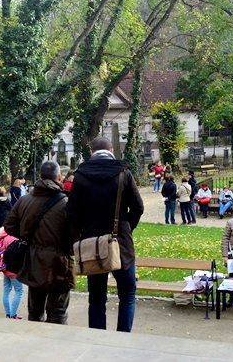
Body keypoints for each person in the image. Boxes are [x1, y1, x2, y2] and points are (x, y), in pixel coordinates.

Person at [67, 137, 144, 333]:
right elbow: (138, 207)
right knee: (127, 294)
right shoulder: (124, 173)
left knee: (96, 298)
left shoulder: (81, 176)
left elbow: (72, 214)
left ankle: (97, 341)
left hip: (93, 243)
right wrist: (127, 228)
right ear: (111, 150)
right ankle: (122, 338)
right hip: (121, 243)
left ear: (91, 152)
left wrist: (82, 234)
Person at [3, 161, 73, 324]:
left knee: (35, 312)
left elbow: (9, 226)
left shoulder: (24, 200)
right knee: (58, 313)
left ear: (40, 177)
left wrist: (27, 237)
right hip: (59, 263)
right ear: (59, 177)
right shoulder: (67, 204)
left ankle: (34, 344)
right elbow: (76, 233)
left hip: (33, 260)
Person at [0, 227, 24, 319]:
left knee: (6, 289)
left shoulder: (1, 237)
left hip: (5, 268)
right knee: (19, 290)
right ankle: (13, 315)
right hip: (13, 270)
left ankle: (8, 314)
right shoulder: (13, 239)